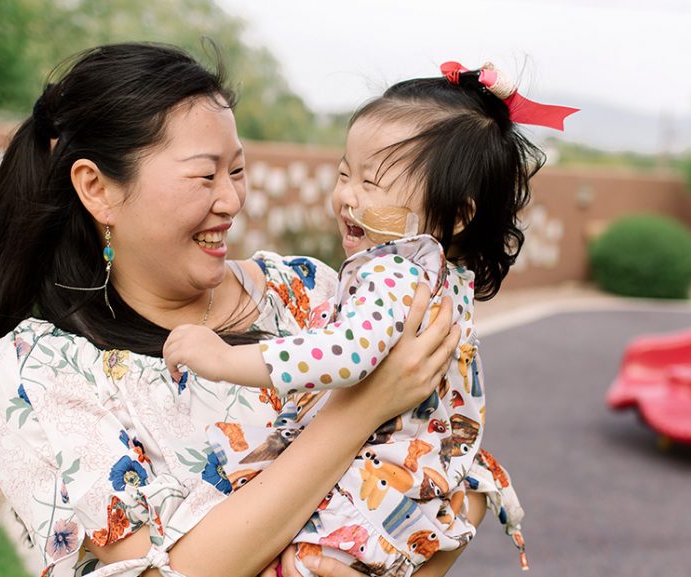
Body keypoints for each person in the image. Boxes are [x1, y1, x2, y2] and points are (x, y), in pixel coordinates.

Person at [0, 42, 471, 577]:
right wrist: (360, 409)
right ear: (97, 188)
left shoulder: (312, 294)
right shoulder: (44, 372)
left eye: (236, 171)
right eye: (204, 176)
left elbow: (453, 467)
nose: (231, 200)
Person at [163, 60, 573, 576]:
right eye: (344, 173)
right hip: (418, 476)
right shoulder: (442, 276)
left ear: (457, 214)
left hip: (378, 479)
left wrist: (224, 358)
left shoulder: (393, 275)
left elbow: (346, 355)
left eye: (372, 184)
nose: (347, 197)